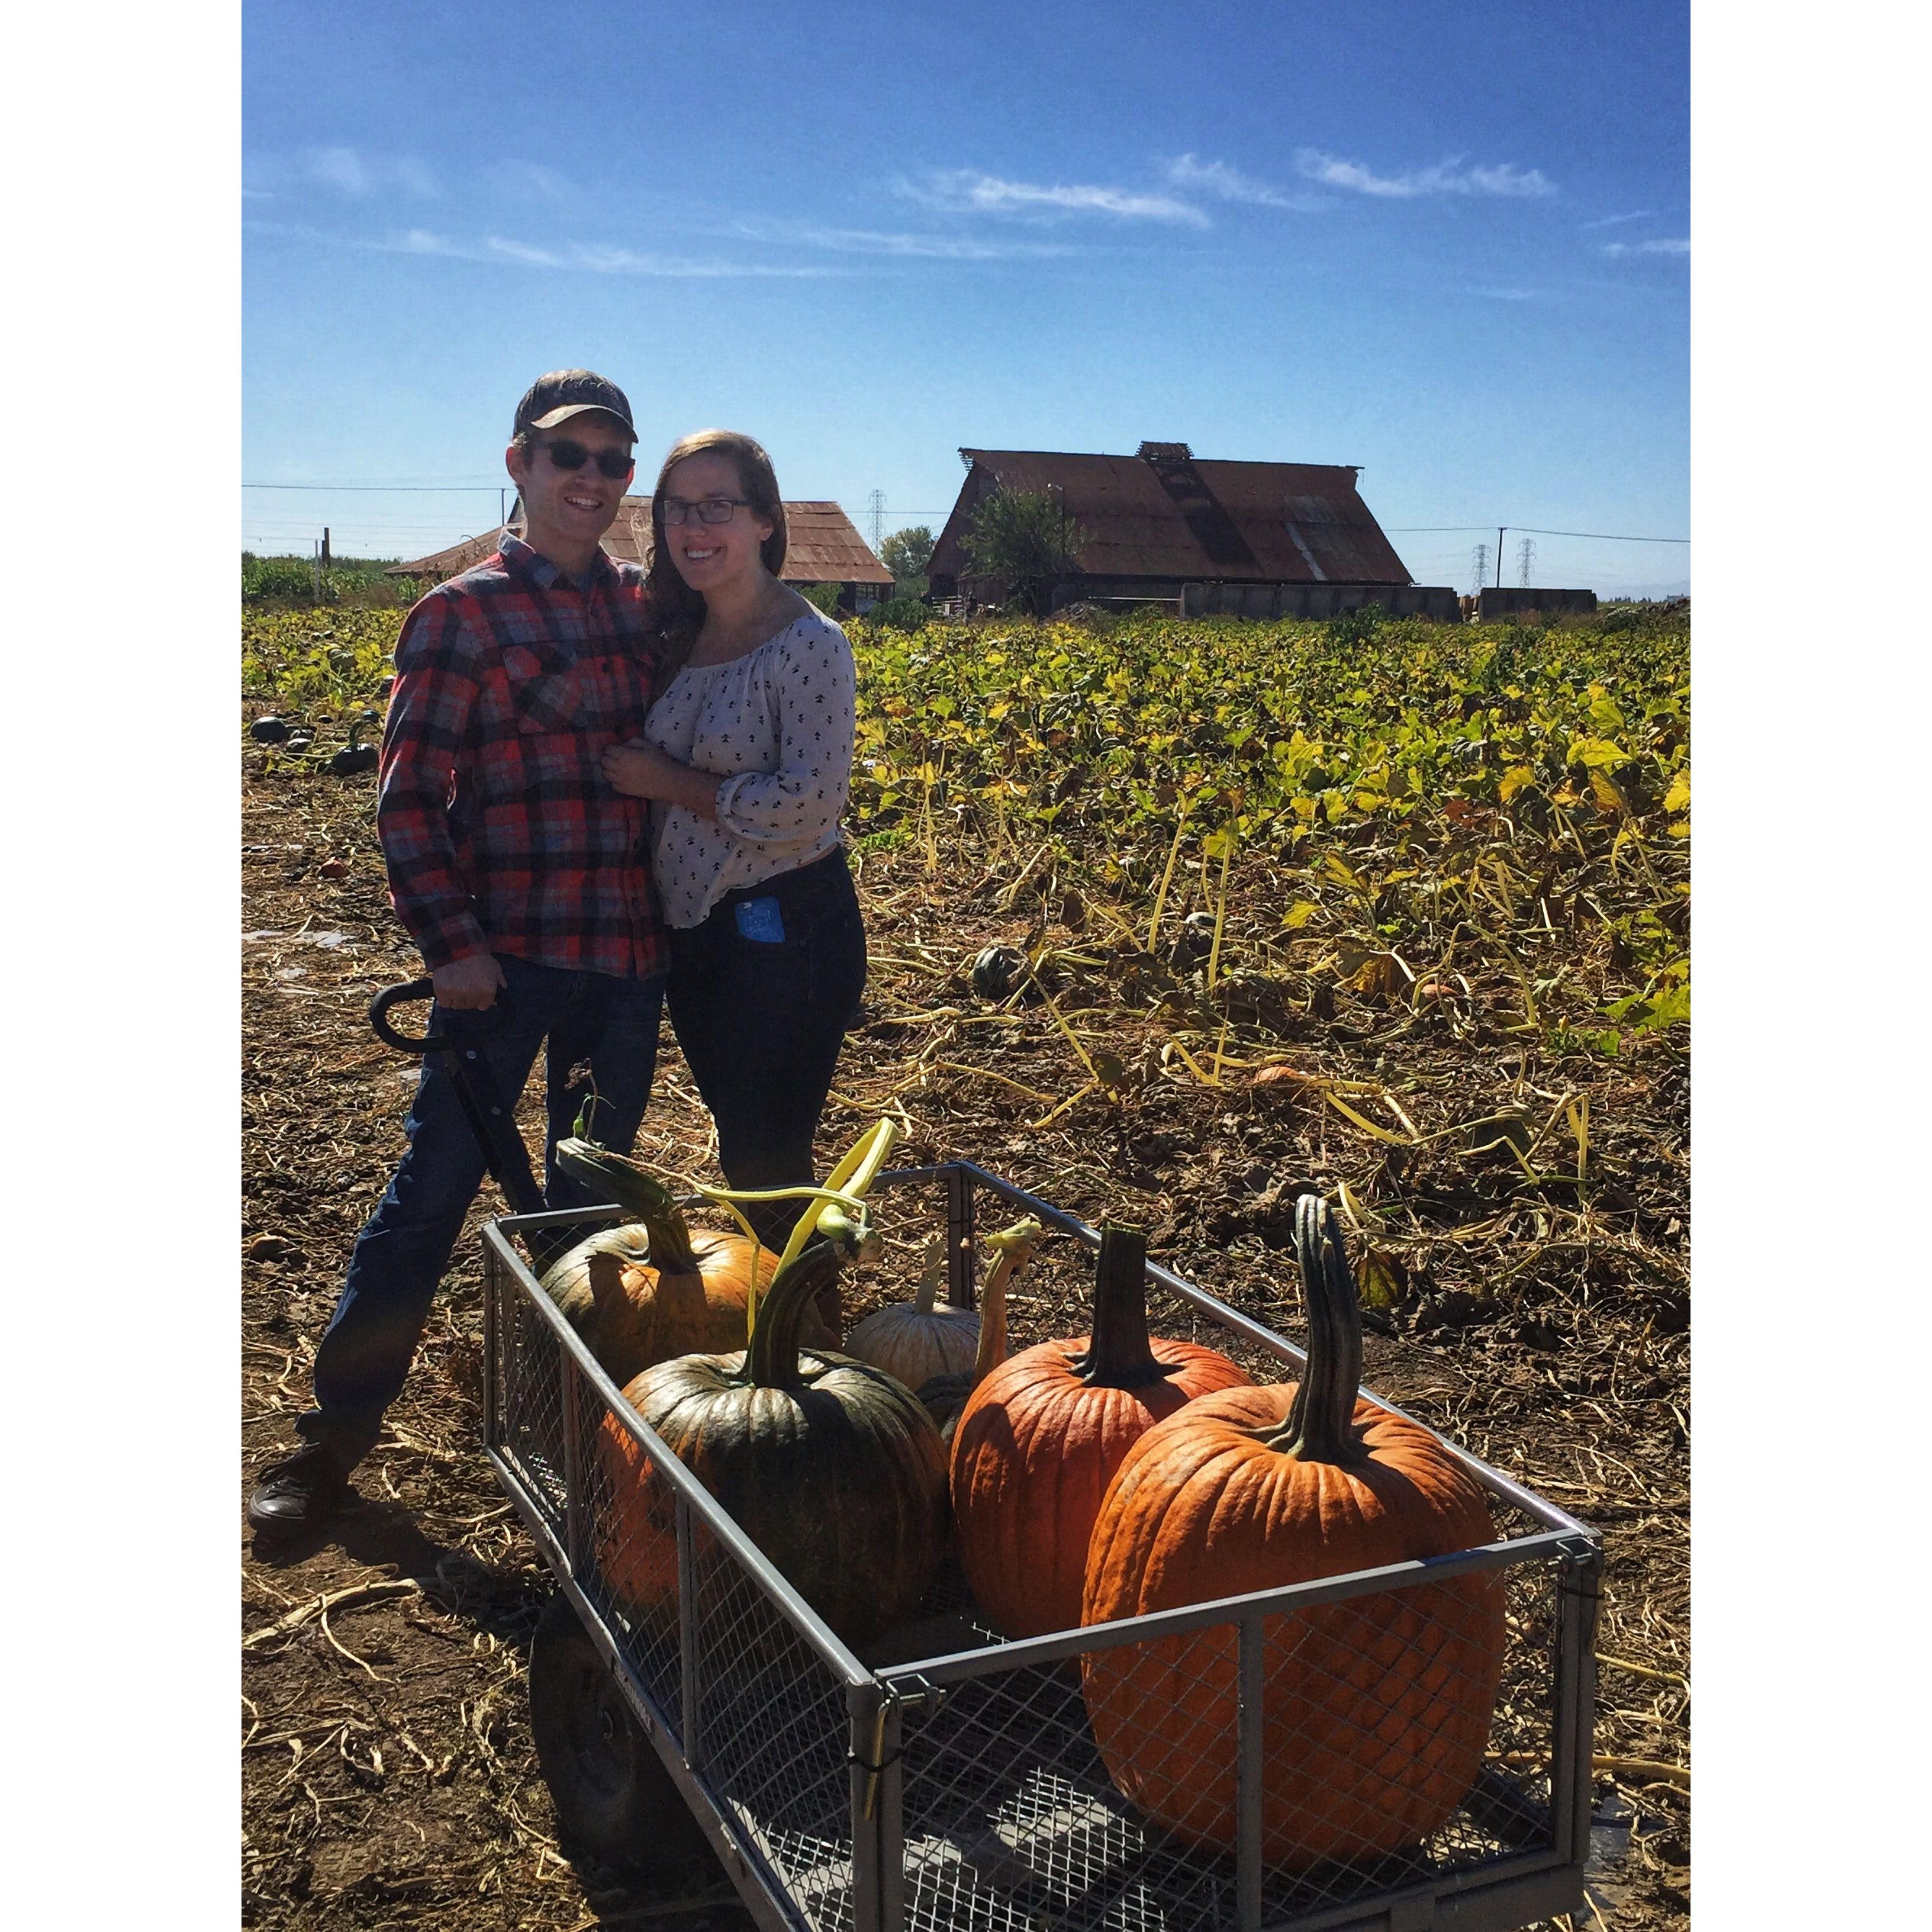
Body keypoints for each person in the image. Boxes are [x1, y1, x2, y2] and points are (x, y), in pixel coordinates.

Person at [249, 371, 670, 1537]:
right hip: (506, 966)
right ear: (519, 464)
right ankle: (332, 1443)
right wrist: (451, 947)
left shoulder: (645, 609)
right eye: (566, 456)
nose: (591, 478)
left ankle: (577, 1436)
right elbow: (408, 804)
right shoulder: (459, 614)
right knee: (430, 1197)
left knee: (591, 1209)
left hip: (624, 964)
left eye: (611, 460)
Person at [601, 430, 867, 1259]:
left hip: (786, 930)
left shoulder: (809, 644)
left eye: (718, 505)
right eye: (678, 509)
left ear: (763, 521)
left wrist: (668, 784)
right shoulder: (678, 632)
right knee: (741, 1138)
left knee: (766, 1153)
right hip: (696, 930)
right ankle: (780, 1320)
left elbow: (811, 802)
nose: (694, 527)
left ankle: (803, 1336)